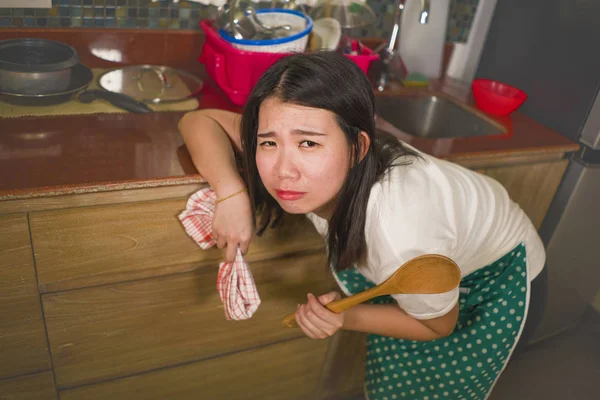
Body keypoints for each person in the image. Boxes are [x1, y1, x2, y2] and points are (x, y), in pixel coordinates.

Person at [178, 51, 547, 400]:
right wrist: (231, 193)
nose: (283, 170)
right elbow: (198, 120)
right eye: (268, 143)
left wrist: (343, 316)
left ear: (357, 147)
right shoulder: (316, 139)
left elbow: (438, 326)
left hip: (495, 280)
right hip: (430, 264)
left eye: (308, 143)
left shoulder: (400, 233)